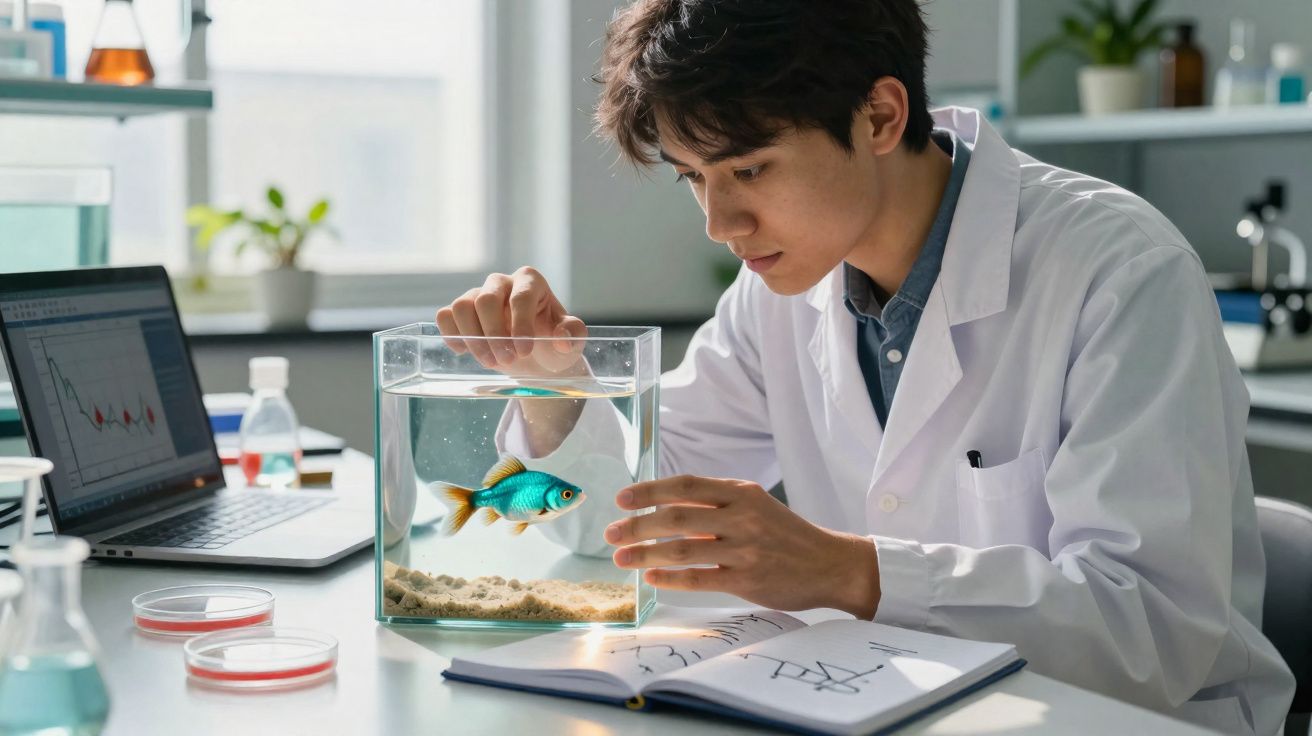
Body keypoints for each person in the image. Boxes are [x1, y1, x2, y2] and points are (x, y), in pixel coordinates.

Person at [434, 1, 1295, 732]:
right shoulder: (777, 289)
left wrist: (848, 571)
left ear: (880, 116)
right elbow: (627, 522)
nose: (720, 223)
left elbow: (1152, 632)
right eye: (694, 177)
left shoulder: (1120, 271)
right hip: (888, 703)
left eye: (749, 168)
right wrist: (552, 386)